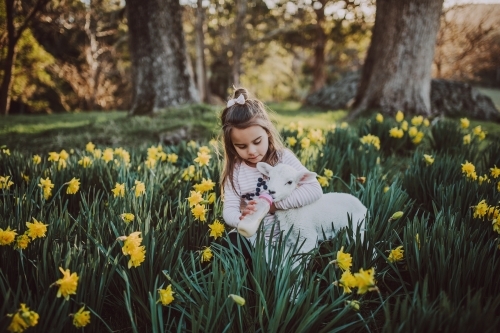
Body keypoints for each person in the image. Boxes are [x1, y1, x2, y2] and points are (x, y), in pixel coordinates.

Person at [219, 87, 323, 265]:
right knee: (225, 249)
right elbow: (228, 209)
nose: (251, 151)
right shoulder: (235, 170)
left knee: (290, 263)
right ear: (232, 146)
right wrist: (240, 218)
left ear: (267, 133)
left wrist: (274, 206)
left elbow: (314, 189)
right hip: (253, 235)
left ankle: (272, 267)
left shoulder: (283, 158)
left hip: (288, 233)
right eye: (241, 146)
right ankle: (253, 268)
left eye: (257, 142)